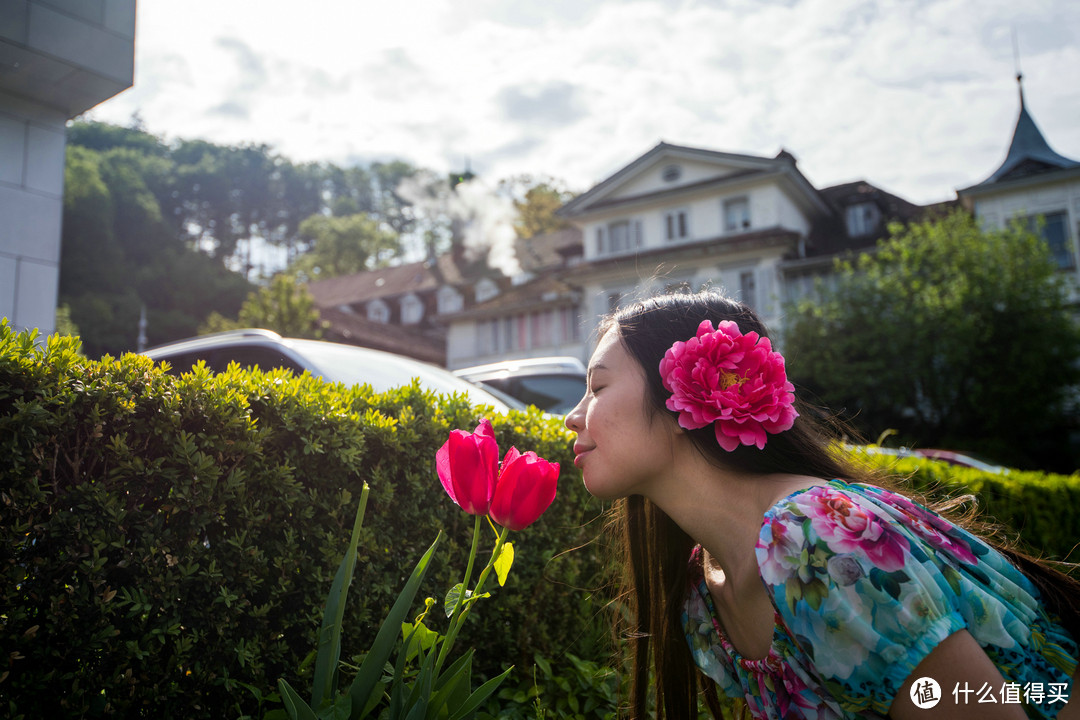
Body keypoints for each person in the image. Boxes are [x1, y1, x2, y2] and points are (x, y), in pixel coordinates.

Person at [563, 291, 1079, 720]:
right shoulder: (703, 598)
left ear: (686, 392)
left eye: (597, 386)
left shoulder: (818, 535)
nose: (572, 416)